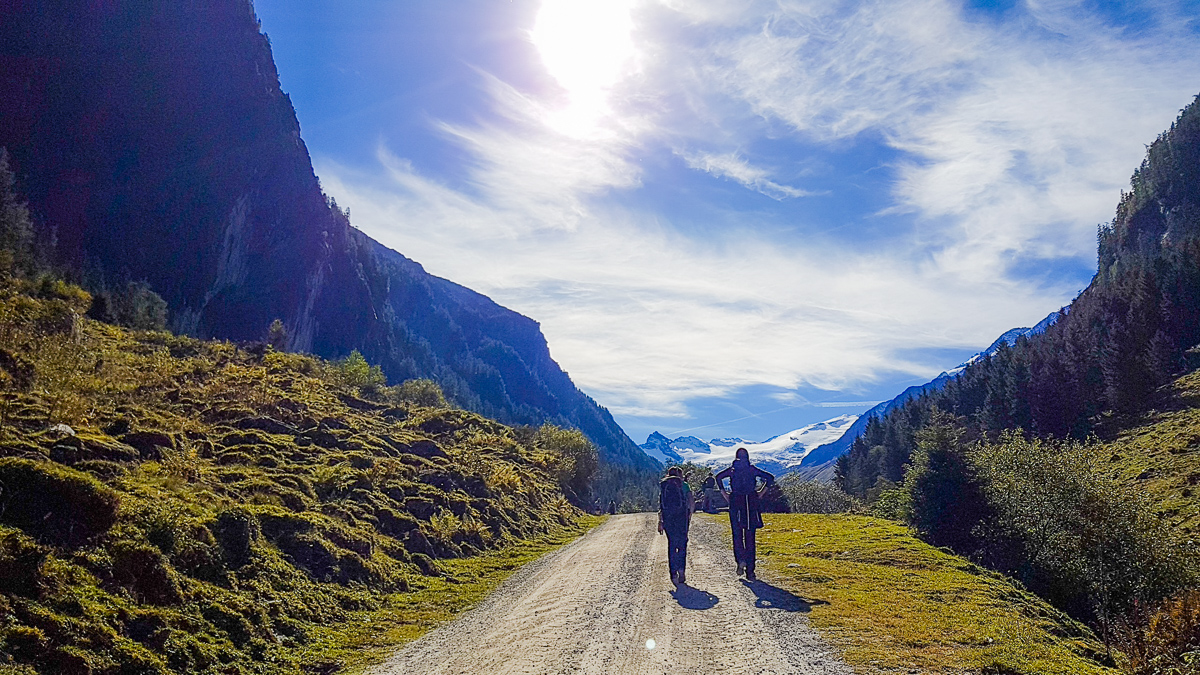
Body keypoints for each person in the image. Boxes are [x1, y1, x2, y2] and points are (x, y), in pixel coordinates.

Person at [715, 448, 774, 581]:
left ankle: (740, 560)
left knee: (737, 533)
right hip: (751, 502)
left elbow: (718, 477)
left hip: (735, 500)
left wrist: (725, 494)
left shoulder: (732, 470)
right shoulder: (752, 469)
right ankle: (751, 571)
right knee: (750, 535)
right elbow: (770, 478)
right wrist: (760, 492)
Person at [657, 466, 693, 585]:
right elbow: (691, 501)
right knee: (682, 543)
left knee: (672, 544)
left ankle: (673, 574)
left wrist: (660, 521)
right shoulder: (683, 485)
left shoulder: (664, 485)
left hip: (668, 517)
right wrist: (689, 515)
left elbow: (661, 504)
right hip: (682, 516)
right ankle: (682, 569)